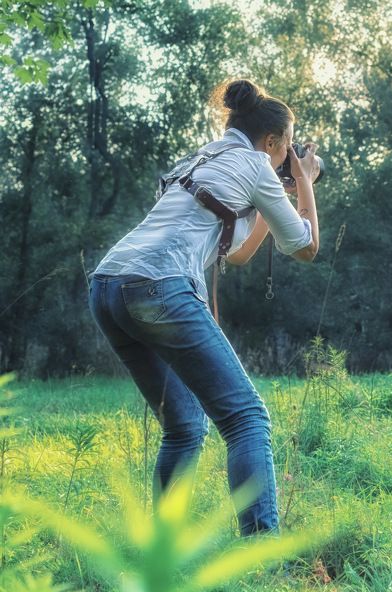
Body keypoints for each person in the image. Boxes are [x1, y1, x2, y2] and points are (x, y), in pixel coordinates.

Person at [88, 79, 322, 535]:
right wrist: (307, 185)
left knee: (184, 427)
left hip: (107, 285)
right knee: (246, 419)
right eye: (286, 148)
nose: (284, 158)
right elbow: (307, 248)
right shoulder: (256, 164)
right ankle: (262, 550)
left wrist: (274, 201)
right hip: (161, 287)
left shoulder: (200, 157)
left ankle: (162, 552)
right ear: (273, 142)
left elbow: (235, 253)